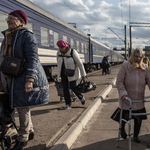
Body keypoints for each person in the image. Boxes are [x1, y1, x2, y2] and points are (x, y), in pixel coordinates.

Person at [0, 10, 49, 150]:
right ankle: (30, 131)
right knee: (17, 106)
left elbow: (33, 59)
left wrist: (30, 79)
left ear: (21, 21)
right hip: (9, 77)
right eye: (7, 18)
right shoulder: (7, 36)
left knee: (22, 108)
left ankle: (23, 138)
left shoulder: (27, 36)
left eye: (12, 18)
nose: (8, 20)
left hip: (21, 77)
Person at [111, 48, 150, 143]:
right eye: (136, 56)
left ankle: (136, 135)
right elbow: (119, 81)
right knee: (125, 117)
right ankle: (122, 129)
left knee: (138, 119)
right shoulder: (125, 66)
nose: (138, 59)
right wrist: (123, 93)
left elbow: (149, 80)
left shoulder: (145, 67)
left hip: (139, 99)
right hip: (127, 98)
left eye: (140, 57)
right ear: (133, 56)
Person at [57, 39, 86, 109]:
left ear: (66, 46)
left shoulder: (72, 52)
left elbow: (80, 63)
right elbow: (58, 63)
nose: (60, 49)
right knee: (65, 89)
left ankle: (81, 97)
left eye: (61, 47)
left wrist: (83, 74)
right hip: (63, 74)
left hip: (72, 73)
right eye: (59, 47)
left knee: (73, 87)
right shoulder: (58, 53)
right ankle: (68, 104)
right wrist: (58, 75)